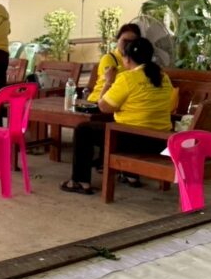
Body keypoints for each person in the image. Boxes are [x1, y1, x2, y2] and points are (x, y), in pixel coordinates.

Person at [60, 37, 174, 195]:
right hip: (160, 140)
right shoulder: (163, 77)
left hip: (134, 141)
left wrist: (108, 81)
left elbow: (103, 106)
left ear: (127, 59)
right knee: (121, 124)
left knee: (83, 130)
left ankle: (80, 181)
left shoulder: (128, 78)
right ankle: (130, 175)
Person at [88, 23, 142, 102]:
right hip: (100, 100)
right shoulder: (109, 58)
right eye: (125, 41)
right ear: (117, 40)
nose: (128, 45)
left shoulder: (139, 61)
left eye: (132, 42)